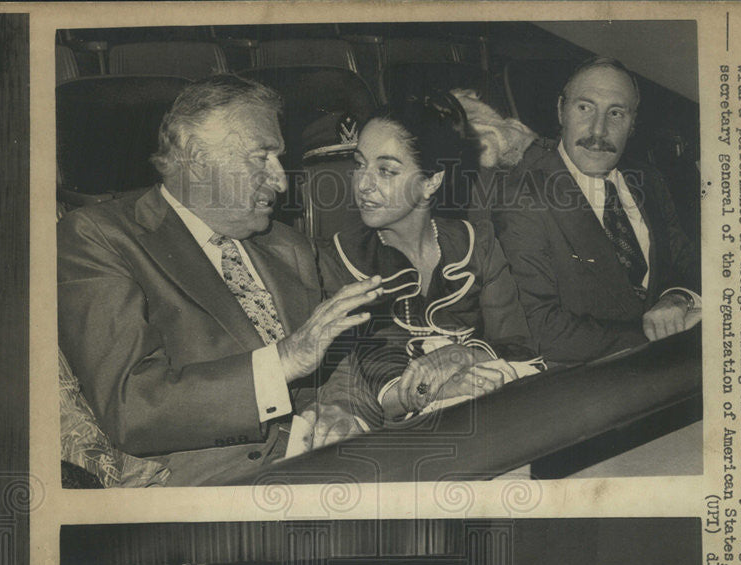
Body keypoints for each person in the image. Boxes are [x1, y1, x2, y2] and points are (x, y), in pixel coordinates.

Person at [58, 74, 383, 487]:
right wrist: (282, 361)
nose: (282, 181)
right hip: (211, 494)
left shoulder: (288, 244)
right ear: (196, 157)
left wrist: (342, 411)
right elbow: (132, 408)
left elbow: (346, 355)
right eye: (261, 157)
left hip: (321, 468)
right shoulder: (97, 237)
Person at [306, 91, 541, 447]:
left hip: (497, 413)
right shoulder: (339, 259)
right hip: (404, 437)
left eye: (386, 170)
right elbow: (372, 375)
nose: (363, 184)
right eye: (359, 164)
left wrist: (463, 354)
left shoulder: (477, 242)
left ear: (431, 181)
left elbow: (518, 347)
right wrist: (435, 388)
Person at [492, 56, 701, 363]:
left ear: (633, 125)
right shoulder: (520, 196)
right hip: (587, 386)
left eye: (616, 113)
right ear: (561, 110)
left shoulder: (649, 180)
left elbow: (690, 265)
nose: (598, 130)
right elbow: (537, 329)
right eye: (585, 108)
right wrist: (658, 336)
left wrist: (678, 298)